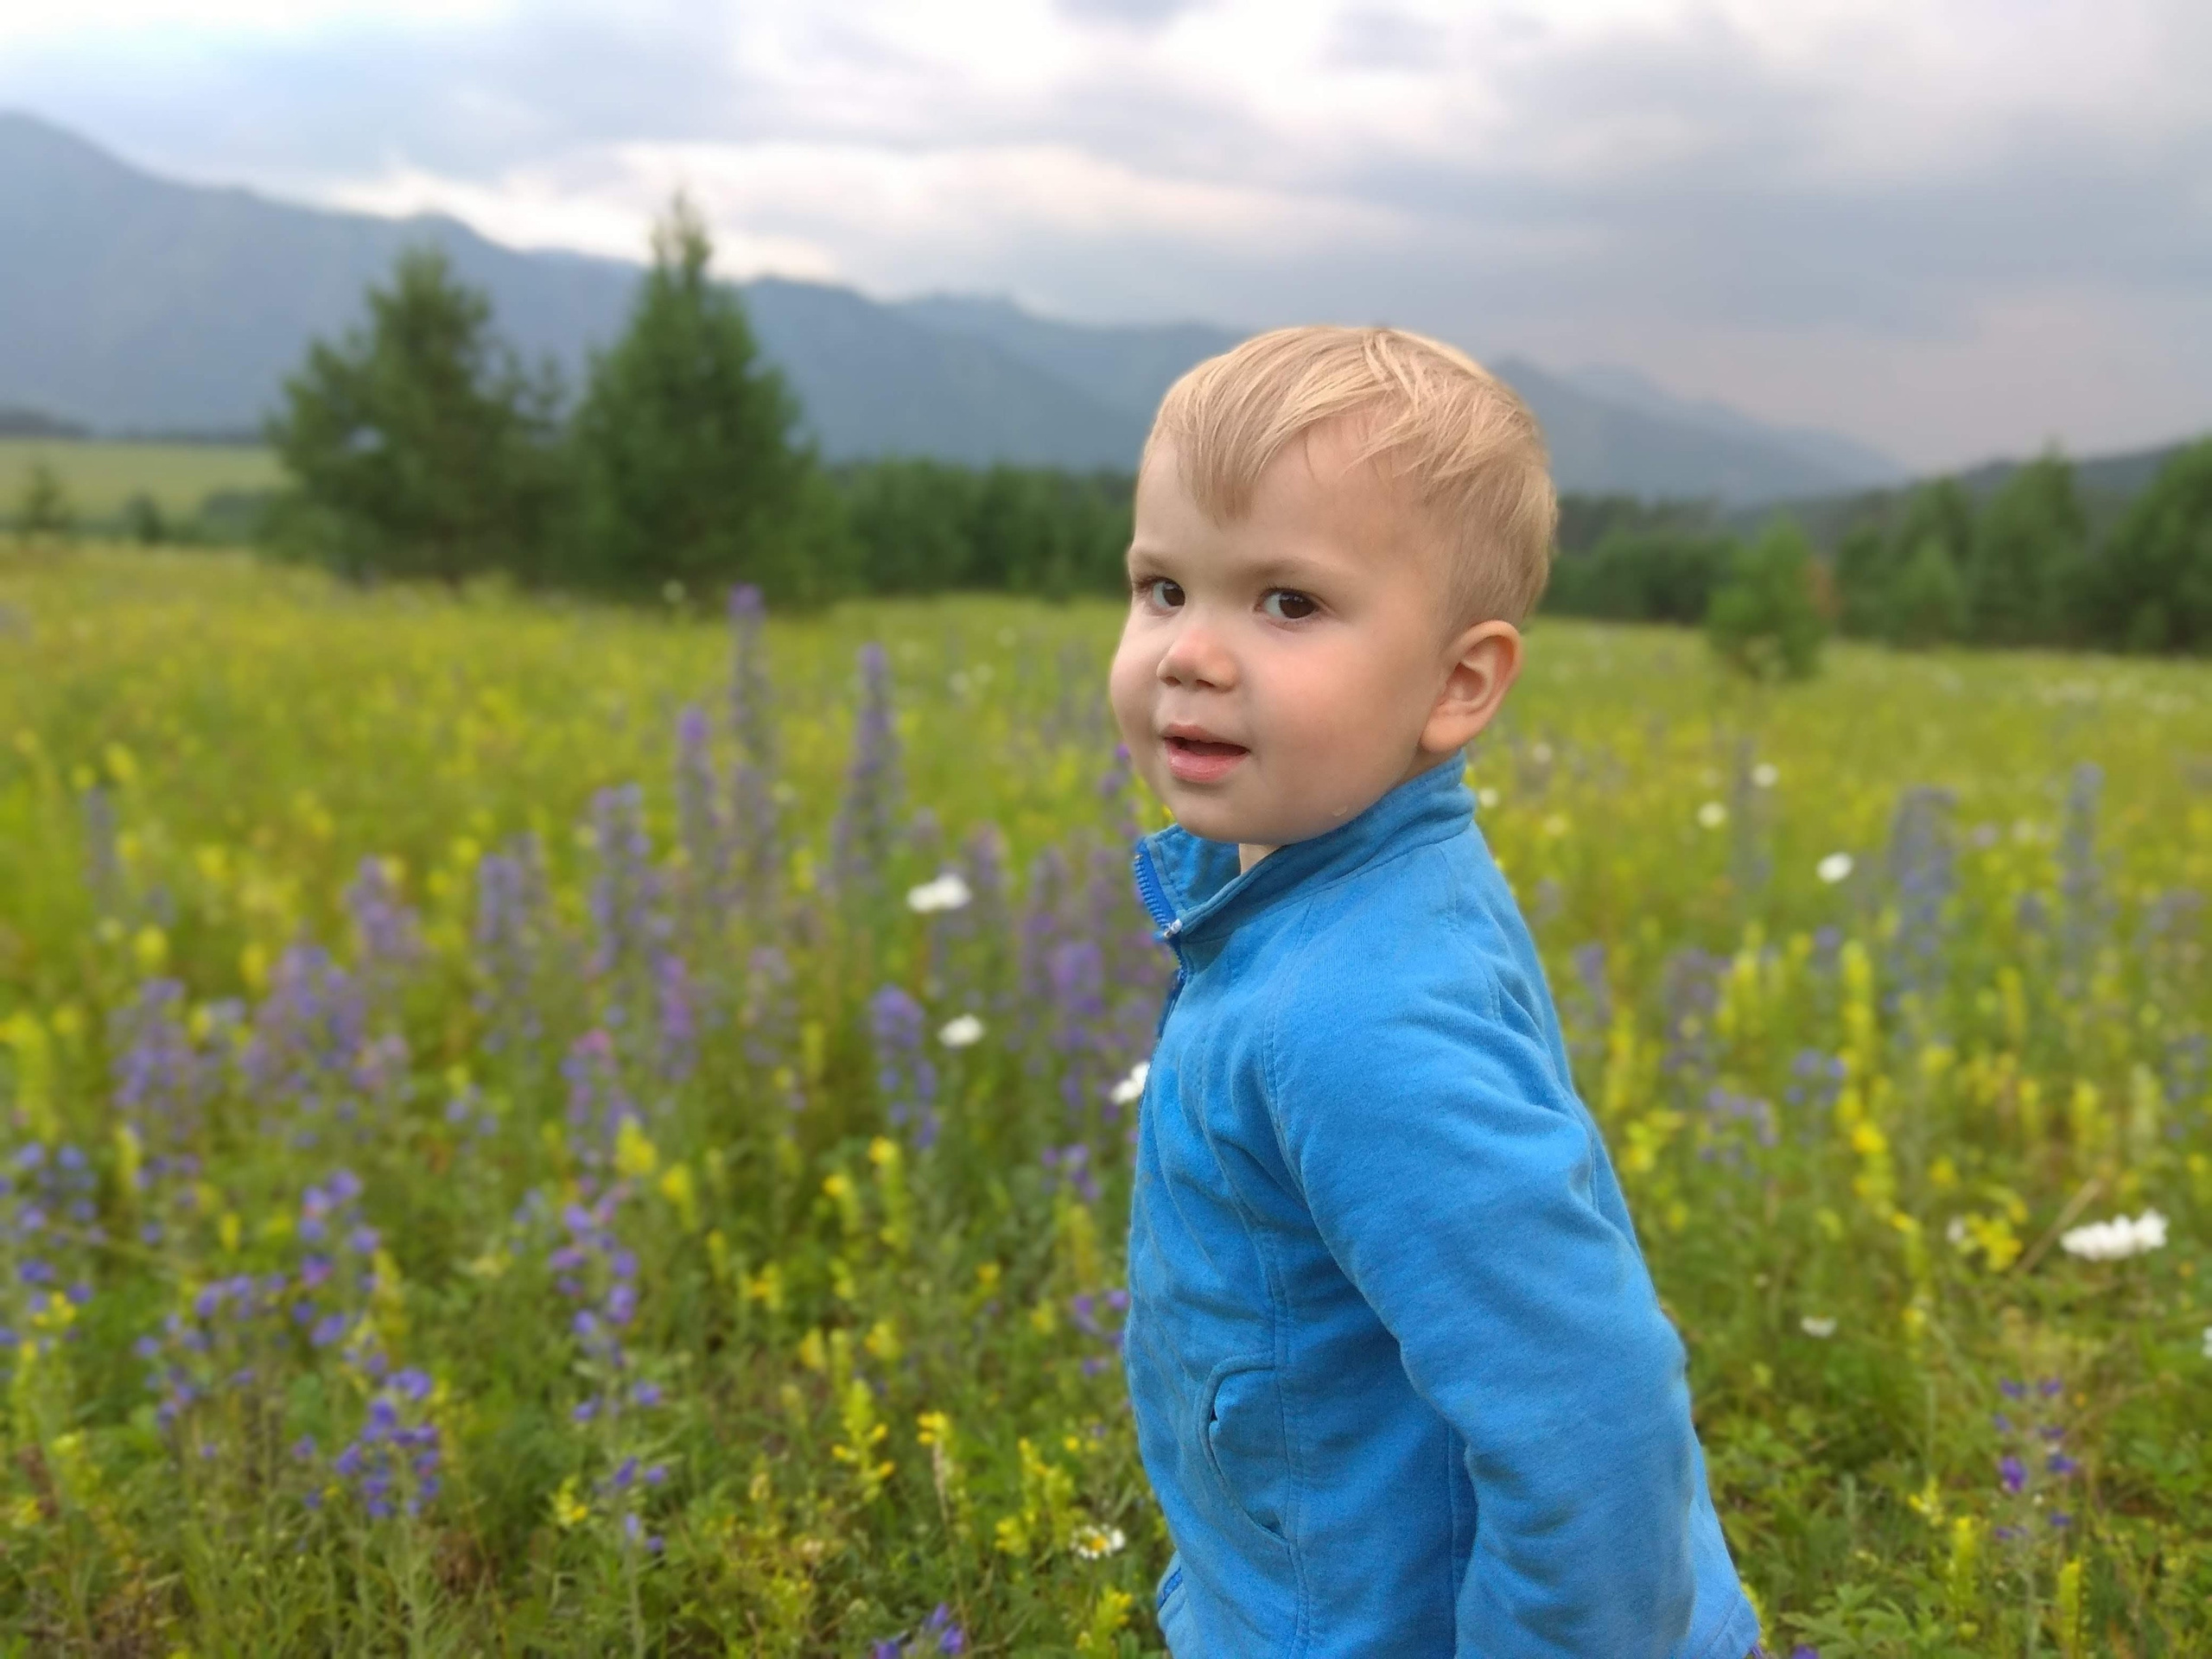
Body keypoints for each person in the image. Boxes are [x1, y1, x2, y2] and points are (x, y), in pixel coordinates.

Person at [1110, 326, 1764, 1657]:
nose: (1190, 653)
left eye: (1288, 603)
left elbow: (1588, 1410)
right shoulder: (1363, 878)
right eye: (1164, 587)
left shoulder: (1351, 1021)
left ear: (1459, 684)